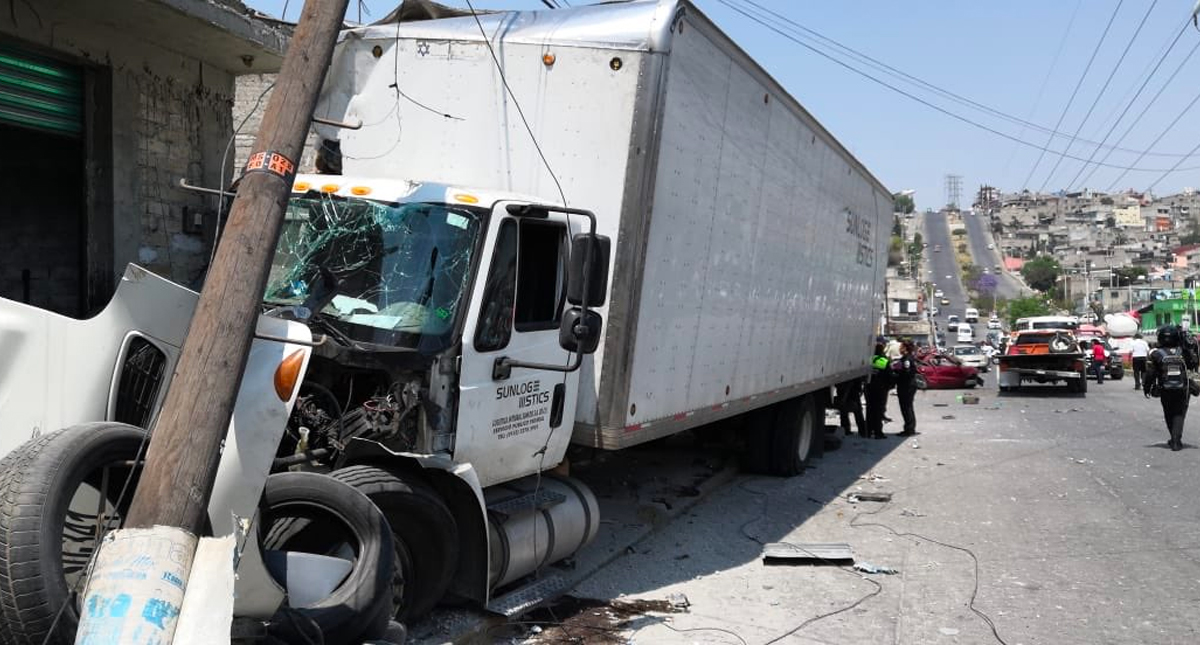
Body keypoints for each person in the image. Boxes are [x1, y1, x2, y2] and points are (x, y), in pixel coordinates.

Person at [1143, 324, 1199, 451]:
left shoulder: (1157, 354)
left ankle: (1174, 439)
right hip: (1183, 388)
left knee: (1169, 413)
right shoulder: (1183, 352)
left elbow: (1150, 373)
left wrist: (1147, 388)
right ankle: (1176, 440)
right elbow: (1193, 364)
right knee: (1179, 414)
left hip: (1165, 389)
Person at [865, 342, 893, 440]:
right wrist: (889, 386)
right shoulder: (884, 361)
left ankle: (868, 431)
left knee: (869, 410)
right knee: (878, 411)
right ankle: (878, 432)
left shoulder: (869, 360)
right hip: (881, 390)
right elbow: (890, 376)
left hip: (869, 388)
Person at [893, 340, 920, 436]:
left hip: (907, 386)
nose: (899, 349)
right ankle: (909, 428)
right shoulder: (905, 358)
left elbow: (906, 373)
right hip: (906, 385)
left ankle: (909, 429)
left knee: (906, 407)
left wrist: (897, 374)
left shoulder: (907, 359)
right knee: (907, 407)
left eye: (901, 347)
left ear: (905, 348)